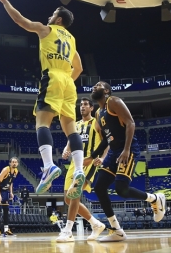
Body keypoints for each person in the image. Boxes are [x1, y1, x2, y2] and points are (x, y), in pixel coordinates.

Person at [0, 0, 86, 202]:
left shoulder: (47, 30)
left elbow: (20, 21)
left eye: (53, 13)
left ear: (58, 19)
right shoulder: (71, 40)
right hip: (68, 82)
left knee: (42, 123)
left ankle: (48, 166)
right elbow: (79, 68)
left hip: (52, 76)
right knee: (70, 127)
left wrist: (5, 1)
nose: (49, 16)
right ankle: (79, 169)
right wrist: (66, 80)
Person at [89, 81, 166, 242]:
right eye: (94, 85)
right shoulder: (98, 113)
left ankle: (154, 198)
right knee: (99, 186)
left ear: (107, 91)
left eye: (99, 85)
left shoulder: (114, 101)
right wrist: (91, 156)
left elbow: (131, 122)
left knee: (121, 189)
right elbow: (107, 139)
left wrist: (126, 149)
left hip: (127, 149)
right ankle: (116, 230)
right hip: (114, 151)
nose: (95, 87)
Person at [57, 98, 107, 242]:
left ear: (91, 108)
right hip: (74, 163)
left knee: (74, 194)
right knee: (68, 198)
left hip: (89, 162)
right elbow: (70, 141)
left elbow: (107, 143)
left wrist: (102, 158)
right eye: (81, 105)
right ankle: (95, 224)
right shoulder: (76, 124)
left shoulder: (96, 123)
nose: (82, 107)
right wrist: (66, 150)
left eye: (85, 105)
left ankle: (68, 231)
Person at [0, 157, 19, 237]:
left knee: (6, 210)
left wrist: (11, 192)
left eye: (16, 162)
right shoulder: (6, 170)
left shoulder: (16, 171)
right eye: (13, 162)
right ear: (10, 163)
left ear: (17, 164)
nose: (14, 163)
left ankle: (6, 230)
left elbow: (11, 182)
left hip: (5, 191)